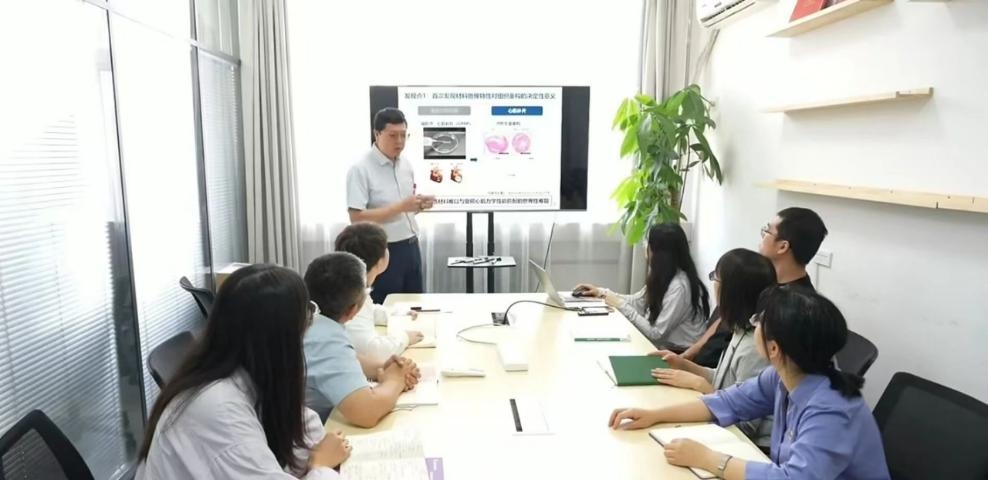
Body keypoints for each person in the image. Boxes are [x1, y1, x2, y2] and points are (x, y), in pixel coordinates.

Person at [609, 286, 890, 480]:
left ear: (774, 349)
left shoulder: (831, 410)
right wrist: (654, 415)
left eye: (759, 321)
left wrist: (708, 459)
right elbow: (726, 402)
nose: (754, 324)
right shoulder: (784, 375)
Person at [136, 264, 350, 479]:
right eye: (307, 314)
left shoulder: (246, 372)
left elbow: (298, 427)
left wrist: (318, 454)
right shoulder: (219, 408)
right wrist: (319, 464)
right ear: (281, 336)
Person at [648, 248, 777, 448]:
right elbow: (725, 379)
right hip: (721, 427)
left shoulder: (755, 347)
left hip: (750, 446)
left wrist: (701, 385)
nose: (714, 283)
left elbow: (746, 426)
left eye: (716, 277)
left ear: (731, 291)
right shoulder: (741, 329)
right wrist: (683, 364)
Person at [681, 207, 828, 366]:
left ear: (783, 247)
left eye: (767, 231)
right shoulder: (756, 275)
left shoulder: (794, 306)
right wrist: (690, 353)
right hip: (703, 365)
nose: (762, 236)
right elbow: (724, 317)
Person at [303, 252, 420, 427]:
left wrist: (384, 368)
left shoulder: (310, 320)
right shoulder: (326, 341)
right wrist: (395, 380)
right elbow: (367, 413)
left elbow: (344, 360)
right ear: (353, 311)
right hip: (308, 435)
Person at [346, 107, 435, 305]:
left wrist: (418, 206)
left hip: (411, 246)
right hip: (382, 251)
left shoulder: (406, 165)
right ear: (377, 134)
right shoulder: (360, 169)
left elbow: (403, 210)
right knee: (385, 308)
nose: (399, 141)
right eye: (393, 135)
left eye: (404, 135)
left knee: (415, 305)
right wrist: (401, 206)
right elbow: (356, 218)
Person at [575, 222, 710, 352]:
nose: (645, 248)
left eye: (648, 244)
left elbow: (656, 334)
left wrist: (620, 304)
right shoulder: (664, 275)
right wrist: (601, 292)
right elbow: (638, 302)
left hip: (679, 353)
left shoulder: (679, 287)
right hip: (663, 347)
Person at [334, 222, 423, 363]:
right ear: (381, 262)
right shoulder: (352, 298)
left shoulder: (349, 284)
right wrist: (405, 338)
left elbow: (369, 310)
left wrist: (395, 313)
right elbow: (375, 353)